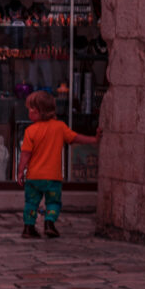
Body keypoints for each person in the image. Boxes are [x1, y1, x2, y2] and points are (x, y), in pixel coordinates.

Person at [17, 90, 101, 238]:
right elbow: (76, 138)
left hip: (34, 177)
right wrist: (94, 140)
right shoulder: (60, 127)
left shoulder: (30, 131)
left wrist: (20, 171)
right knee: (53, 202)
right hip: (53, 177)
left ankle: (28, 227)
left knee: (31, 202)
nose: (28, 112)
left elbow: (25, 154)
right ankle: (49, 223)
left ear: (38, 112)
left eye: (30, 109)